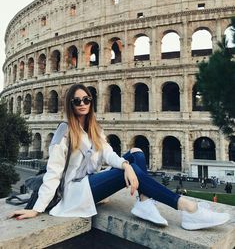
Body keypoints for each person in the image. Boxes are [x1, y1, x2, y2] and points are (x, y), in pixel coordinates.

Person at [10, 83, 230, 230]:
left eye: (86, 99)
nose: (83, 104)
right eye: (77, 101)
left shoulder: (95, 128)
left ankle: (144, 201)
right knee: (128, 170)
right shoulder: (64, 130)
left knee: (136, 154)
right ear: (70, 104)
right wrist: (36, 209)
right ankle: (188, 208)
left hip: (91, 185)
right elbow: (54, 172)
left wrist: (125, 164)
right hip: (75, 193)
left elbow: (109, 153)